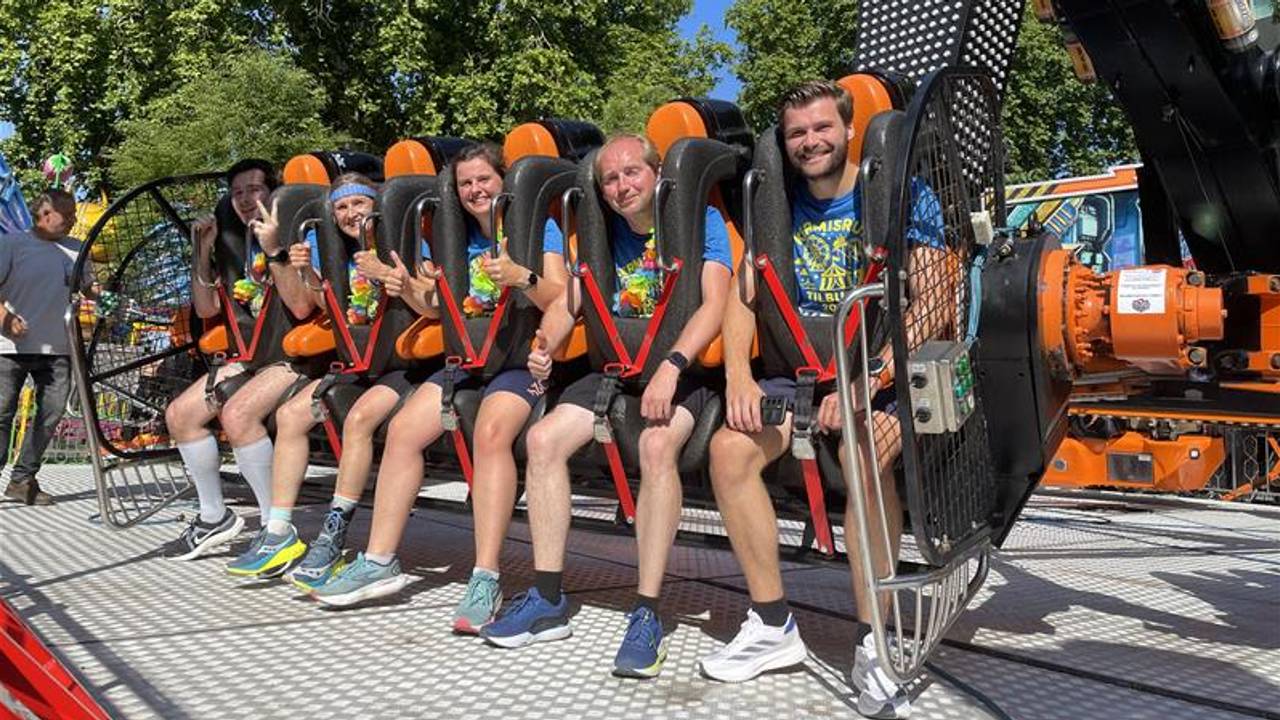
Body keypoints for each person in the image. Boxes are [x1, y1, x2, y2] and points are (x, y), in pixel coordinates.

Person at [699, 80, 944, 720]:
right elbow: (744, 298)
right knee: (728, 451)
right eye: (796, 133)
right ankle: (772, 624)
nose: (810, 142)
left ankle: (874, 641)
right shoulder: (775, 206)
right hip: (800, 373)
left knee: (864, 456)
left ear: (847, 128)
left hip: (879, 366)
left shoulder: (896, 194)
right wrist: (737, 378)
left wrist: (873, 377)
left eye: (821, 128)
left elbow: (937, 296)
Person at [479, 133, 732, 680]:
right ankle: (547, 598)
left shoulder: (701, 218)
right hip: (616, 367)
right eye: (610, 178)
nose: (621, 186)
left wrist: (674, 365)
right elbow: (572, 300)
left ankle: (647, 610)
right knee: (542, 441)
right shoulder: (596, 229)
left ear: (658, 173)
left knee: (657, 444)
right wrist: (545, 345)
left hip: (682, 368)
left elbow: (715, 303)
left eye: (631, 174)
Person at [312, 142, 569, 621]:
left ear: (503, 181)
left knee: (492, 431)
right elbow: (436, 305)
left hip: (521, 361)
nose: (475, 190)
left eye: (484, 180)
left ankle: (485, 578)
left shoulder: (540, 228)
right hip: (467, 360)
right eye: (466, 183)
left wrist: (520, 277)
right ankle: (379, 560)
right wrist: (403, 284)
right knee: (404, 430)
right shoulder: (449, 236)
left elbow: (562, 296)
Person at [224, 172, 440, 588]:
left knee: (359, 420)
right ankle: (279, 530)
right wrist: (298, 269)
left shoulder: (410, 242)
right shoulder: (335, 253)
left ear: (376, 204)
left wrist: (392, 279)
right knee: (290, 415)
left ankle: (335, 530)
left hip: (407, 364)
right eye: (340, 207)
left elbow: (432, 300)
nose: (350, 214)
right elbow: (316, 307)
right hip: (359, 363)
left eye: (359, 204)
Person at [161, 159, 321, 560]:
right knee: (179, 415)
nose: (247, 200)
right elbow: (205, 308)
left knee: (237, 415)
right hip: (249, 357)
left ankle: (275, 527)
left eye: (254, 190)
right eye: (238, 194)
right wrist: (202, 250)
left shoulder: (296, 237)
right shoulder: (235, 242)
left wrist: (274, 250)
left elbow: (302, 309)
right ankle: (214, 516)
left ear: (273, 192)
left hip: (294, 358)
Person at [0, 189, 90, 505]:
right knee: (1, 413)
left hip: (59, 350)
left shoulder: (78, 250)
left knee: (50, 415)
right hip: (10, 347)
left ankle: (23, 480)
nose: (74, 220)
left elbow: (88, 288)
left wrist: (99, 293)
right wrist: (5, 318)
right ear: (46, 213)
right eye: (68, 214)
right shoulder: (12, 244)